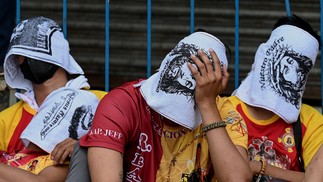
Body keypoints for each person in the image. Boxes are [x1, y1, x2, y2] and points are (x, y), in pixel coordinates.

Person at [67, 31, 253, 182]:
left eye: (200, 78)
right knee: (83, 151)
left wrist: (206, 105)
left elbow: (236, 178)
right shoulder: (123, 103)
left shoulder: (221, 111)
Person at [218, 14, 323, 181]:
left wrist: (258, 167)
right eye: (286, 61)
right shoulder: (225, 108)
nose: (287, 68)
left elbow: (315, 177)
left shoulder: (310, 121)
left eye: (296, 65)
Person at [0, 16, 106, 181]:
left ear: (58, 53)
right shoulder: (6, 120)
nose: (28, 58)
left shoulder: (103, 102)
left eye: (37, 52)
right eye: (22, 54)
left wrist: (86, 143)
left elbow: (134, 140)